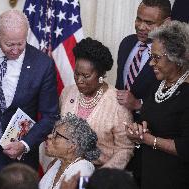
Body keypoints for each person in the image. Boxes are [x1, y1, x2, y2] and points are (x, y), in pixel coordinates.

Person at [0, 10, 59, 189]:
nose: (15, 50)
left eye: (21, 43)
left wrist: (24, 144)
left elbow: (51, 115)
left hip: (19, 161)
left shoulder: (42, 64)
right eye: (9, 44)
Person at [125, 21, 189, 189]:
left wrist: (147, 139)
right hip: (149, 175)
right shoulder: (158, 85)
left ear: (177, 58)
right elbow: (152, 120)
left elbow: (186, 147)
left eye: (156, 58)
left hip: (176, 180)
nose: (151, 63)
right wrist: (138, 130)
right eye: (151, 56)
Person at [115, 0, 171, 183]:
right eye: (138, 19)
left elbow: (173, 104)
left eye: (149, 23)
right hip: (120, 141)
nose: (141, 26)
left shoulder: (173, 57)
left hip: (152, 146)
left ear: (166, 23)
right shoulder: (126, 44)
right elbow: (120, 87)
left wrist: (138, 104)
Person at [60, 37, 134, 169]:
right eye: (76, 74)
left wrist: (100, 178)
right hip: (65, 168)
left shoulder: (117, 103)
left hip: (99, 173)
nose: (79, 80)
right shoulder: (67, 93)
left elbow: (125, 149)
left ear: (101, 75)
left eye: (86, 76)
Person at [40, 113, 100, 189]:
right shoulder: (58, 162)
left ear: (72, 146)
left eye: (57, 136)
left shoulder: (84, 171)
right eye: (53, 133)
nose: (49, 136)